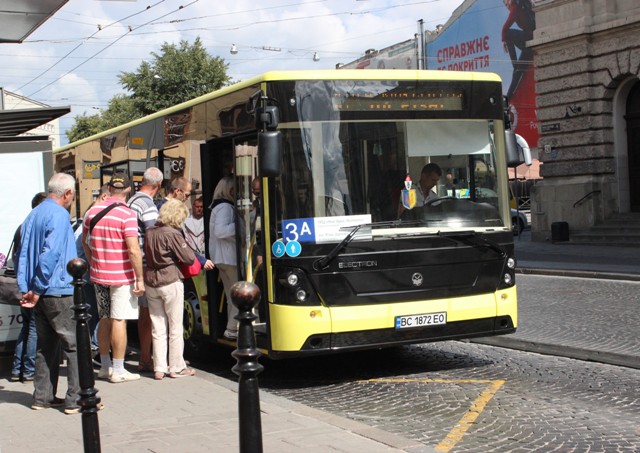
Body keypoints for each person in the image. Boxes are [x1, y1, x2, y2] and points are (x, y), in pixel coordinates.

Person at [16, 174, 81, 414]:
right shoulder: (60, 214)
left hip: (39, 290)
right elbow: (50, 253)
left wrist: (28, 288)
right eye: (72, 195)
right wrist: (38, 287)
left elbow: (23, 256)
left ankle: (42, 397)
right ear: (67, 193)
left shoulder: (34, 214)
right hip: (55, 289)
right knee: (74, 344)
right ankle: (76, 398)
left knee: (47, 345)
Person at [82, 172, 144, 384]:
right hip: (121, 276)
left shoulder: (93, 212)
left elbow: (84, 242)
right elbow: (134, 250)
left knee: (105, 317)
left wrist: (94, 263)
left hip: (99, 275)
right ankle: (118, 369)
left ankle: (105, 365)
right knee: (119, 319)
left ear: (109, 187)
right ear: (128, 189)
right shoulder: (127, 214)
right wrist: (140, 279)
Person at [144, 199, 198, 380]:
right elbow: (189, 258)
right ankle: (176, 366)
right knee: (175, 326)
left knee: (157, 327)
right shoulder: (172, 233)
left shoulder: (150, 231)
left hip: (151, 281)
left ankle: (159, 368)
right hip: (170, 280)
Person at [127, 167, 163, 373]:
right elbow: (153, 235)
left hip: (135, 261)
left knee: (143, 311)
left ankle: (145, 356)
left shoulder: (132, 201)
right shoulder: (147, 204)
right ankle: (146, 358)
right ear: (157, 186)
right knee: (148, 312)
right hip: (144, 263)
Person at [10, 191, 47, 382]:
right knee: (32, 328)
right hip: (32, 285)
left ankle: (17, 369)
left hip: (23, 284)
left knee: (26, 327)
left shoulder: (21, 227)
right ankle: (29, 369)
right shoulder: (33, 228)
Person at [74, 184, 109, 358]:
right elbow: (86, 248)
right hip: (89, 276)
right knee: (96, 315)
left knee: (92, 314)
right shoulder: (92, 220)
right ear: (103, 197)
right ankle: (95, 348)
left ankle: (94, 346)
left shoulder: (86, 221)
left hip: (87, 275)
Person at [208, 176, 245, 340]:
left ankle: (232, 327)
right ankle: (231, 329)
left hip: (221, 257)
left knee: (232, 295)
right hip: (228, 257)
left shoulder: (217, 206)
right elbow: (221, 231)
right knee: (238, 294)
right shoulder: (225, 207)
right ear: (229, 190)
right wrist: (241, 225)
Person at [502, 0, 535, 99]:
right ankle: (508, 98)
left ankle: (515, 65)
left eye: (507, 1)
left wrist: (504, 40)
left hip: (531, 37)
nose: (507, 5)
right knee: (518, 72)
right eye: (505, 4)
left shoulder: (516, 6)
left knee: (507, 34)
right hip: (530, 41)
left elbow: (505, 28)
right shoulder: (521, 5)